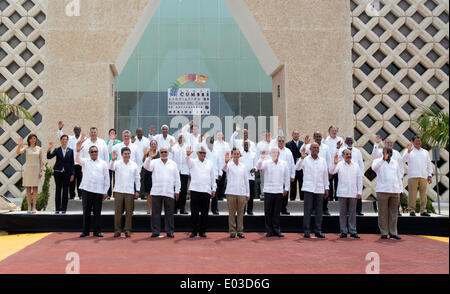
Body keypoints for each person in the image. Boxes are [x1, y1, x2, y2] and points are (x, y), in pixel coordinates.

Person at [76, 137, 110, 238]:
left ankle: (97, 232)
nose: (94, 153)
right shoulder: (85, 161)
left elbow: (106, 178)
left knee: (97, 212)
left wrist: (105, 192)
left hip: (98, 191)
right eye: (92, 152)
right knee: (86, 212)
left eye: (95, 151)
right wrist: (77, 151)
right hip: (87, 190)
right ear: (89, 153)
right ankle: (85, 232)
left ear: (98, 152)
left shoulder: (103, 163)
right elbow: (77, 160)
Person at [143, 147, 180, 238]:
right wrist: (149, 157)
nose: (164, 153)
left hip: (169, 191)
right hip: (156, 191)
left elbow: (177, 179)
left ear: (168, 153)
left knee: (169, 213)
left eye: (165, 152)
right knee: (155, 213)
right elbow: (146, 167)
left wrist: (177, 191)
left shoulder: (173, 164)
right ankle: (155, 231)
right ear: (159, 153)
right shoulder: (154, 162)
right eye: (162, 152)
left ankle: (169, 231)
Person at [296, 143, 329, 238]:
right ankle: (307, 230)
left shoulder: (323, 161)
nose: (316, 149)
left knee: (319, 211)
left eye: (317, 148)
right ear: (310, 149)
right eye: (314, 148)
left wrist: (326, 188)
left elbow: (325, 175)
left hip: (319, 188)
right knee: (307, 210)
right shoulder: (305, 160)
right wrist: (301, 158)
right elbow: (297, 168)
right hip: (308, 189)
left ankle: (318, 230)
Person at [257, 148, 290, 238]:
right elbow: (259, 167)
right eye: (273, 153)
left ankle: (276, 230)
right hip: (268, 191)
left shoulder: (284, 163)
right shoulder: (266, 163)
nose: (275, 154)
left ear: (279, 154)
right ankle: (269, 230)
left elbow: (287, 177)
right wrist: (261, 158)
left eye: (276, 153)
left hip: (279, 191)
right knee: (268, 212)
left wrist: (286, 188)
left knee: (277, 212)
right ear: (270, 154)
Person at [186, 146, 217, 238]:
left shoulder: (210, 163)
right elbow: (187, 162)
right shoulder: (192, 161)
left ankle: (202, 231)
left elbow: (212, 177)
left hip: (206, 190)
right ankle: (194, 231)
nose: (203, 154)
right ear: (197, 153)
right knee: (194, 212)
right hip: (195, 190)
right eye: (201, 152)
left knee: (204, 212)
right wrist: (187, 155)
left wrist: (213, 188)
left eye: (204, 153)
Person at [372, 147, 402, 240]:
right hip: (382, 190)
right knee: (383, 212)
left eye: (390, 152)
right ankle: (384, 232)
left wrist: (400, 190)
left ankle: (393, 233)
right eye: (386, 152)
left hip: (395, 190)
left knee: (394, 213)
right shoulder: (377, 161)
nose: (388, 154)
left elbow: (398, 176)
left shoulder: (395, 162)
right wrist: (382, 160)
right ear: (382, 153)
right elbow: (374, 168)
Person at [331, 149, 363, 239]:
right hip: (342, 192)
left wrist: (359, 191)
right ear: (343, 155)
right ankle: (343, 231)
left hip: (353, 192)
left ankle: (353, 231)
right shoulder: (339, 164)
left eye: (350, 154)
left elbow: (359, 179)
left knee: (353, 213)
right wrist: (334, 163)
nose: (349, 155)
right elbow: (332, 172)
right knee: (343, 213)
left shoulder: (356, 165)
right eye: (347, 154)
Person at [110, 147, 140, 238]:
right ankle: (117, 230)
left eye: (128, 154)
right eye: (125, 154)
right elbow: (110, 167)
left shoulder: (134, 164)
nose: (127, 155)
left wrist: (137, 190)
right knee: (118, 212)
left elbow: (137, 178)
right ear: (122, 154)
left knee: (129, 212)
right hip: (119, 191)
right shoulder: (117, 163)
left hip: (129, 191)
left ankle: (127, 230)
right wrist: (112, 160)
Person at [372, 135, 405, 216]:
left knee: (395, 204)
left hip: (395, 182)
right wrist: (376, 143)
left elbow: (400, 165)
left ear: (393, 144)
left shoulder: (396, 153)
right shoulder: (381, 152)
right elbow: (374, 152)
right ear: (384, 143)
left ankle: (397, 211)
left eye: (391, 143)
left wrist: (401, 176)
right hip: (384, 185)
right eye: (387, 143)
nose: (389, 144)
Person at [301, 132, 332, 215]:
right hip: (312, 172)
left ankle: (325, 209)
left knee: (323, 191)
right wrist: (305, 144)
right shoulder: (309, 146)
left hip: (322, 170)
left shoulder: (326, 147)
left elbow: (329, 159)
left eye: (320, 136)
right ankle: (313, 209)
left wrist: (329, 170)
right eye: (317, 136)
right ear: (314, 137)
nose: (318, 138)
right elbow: (303, 153)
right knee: (313, 193)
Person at [403, 135, 433, 216]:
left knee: (423, 195)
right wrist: (408, 151)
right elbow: (404, 160)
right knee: (412, 194)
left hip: (423, 176)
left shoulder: (425, 152)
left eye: (419, 141)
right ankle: (411, 210)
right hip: (413, 176)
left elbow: (429, 164)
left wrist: (429, 175)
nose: (418, 143)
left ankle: (423, 211)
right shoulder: (409, 151)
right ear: (412, 142)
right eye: (416, 141)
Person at [223, 148, 250, 238]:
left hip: (241, 192)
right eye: (234, 154)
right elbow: (224, 169)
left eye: (237, 154)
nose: (236, 155)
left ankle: (240, 231)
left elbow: (246, 180)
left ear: (240, 155)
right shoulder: (229, 165)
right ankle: (232, 231)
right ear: (232, 155)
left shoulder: (243, 166)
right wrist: (226, 162)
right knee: (231, 213)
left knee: (240, 213)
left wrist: (248, 193)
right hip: (231, 192)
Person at [47, 135, 75, 214]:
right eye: (63, 139)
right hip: (57, 172)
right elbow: (49, 157)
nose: (64, 141)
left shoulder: (71, 151)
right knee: (58, 190)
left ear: (67, 141)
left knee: (65, 191)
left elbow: (72, 163)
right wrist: (49, 149)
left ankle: (64, 209)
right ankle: (57, 208)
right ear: (60, 140)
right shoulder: (57, 149)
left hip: (67, 173)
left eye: (66, 139)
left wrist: (72, 174)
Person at [337, 136, 364, 215]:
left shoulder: (357, 151)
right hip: (345, 174)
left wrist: (361, 174)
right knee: (347, 194)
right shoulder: (341, 150)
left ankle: (358, 210)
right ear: (345, 141)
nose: (349, 141)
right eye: (348, 140)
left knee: (357, 192)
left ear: (353, 141)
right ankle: (348, 211)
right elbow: (338, 160)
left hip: (356, 173)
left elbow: (361, 163)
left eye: (351, 140)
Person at [16, 134, 43, 213]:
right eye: (31, 138)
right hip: (28, 170)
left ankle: (34, 207)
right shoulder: (26, 148)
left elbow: (41, 161)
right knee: (28, 188)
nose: (33, 140)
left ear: (36, 140)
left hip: (36, 170)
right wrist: (19, 145)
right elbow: (18, 152)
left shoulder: (39, 149)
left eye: (34, 138)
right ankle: (29, 207)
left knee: (35, 188)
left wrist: (41, 171)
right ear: (29, 140)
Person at [57, 121, 82, 199]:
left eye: (78, 130)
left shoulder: (83, 139)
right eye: (75, 130)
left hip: (80, 164)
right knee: (72, 180)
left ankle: (81, 195)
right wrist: (60, 129)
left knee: (80, 180)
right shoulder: (70, 138)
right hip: (72, 164)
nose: (77, 131)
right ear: (73, 131)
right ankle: (72, 195)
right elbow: (61, 137)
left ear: (80, 130)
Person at [169, 134, 189, 214]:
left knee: (183, 191)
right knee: (175, 189)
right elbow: (170, 157)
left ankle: (182, 208)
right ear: (177, 139)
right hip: (175, 171)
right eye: (179, 137)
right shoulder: (173, 147)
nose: (181, 139)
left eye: (182, 137)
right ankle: (174, 208)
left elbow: (189, 159)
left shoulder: (187, 147)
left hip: (184, 171)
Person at [323, 126, 344, 202]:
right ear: (329, 131)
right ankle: (330, 197)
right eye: (332, 130)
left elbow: (343, 152)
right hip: (329, 165)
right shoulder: (326, 140)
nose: (334, 132)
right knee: (329, 182)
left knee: (338, 181)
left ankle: (337, 197)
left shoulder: (340, 139)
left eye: (335, 130)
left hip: (338, 164)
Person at [277, 136, 295, 215]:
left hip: (286, 176)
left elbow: (292, 164)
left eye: (282, 141)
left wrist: (292, 175)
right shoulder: (274, 151)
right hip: (276, 176)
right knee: (278, 194)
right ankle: (277, 209)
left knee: (285, 192)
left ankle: (284, 208)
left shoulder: (288, 151)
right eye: (279, 141)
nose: (281, 142)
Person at [143, 140, 160, 214]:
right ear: (150, 145)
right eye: (152, 144)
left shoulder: (159, 153)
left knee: (156, 194)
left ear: (157, 145)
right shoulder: (147, 153)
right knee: (149, 194)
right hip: (148, 174)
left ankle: (155, 210)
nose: (153, 145)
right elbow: (143, 161)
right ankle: (149, 209)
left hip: (157, 174)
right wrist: (145, 155)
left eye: (154, 144)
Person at [286, 130, 304, 200]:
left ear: (299, 135)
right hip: (293, 165)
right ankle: (292, 198)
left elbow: (303, 153)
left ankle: (302, 198)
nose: (296, 135)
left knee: (301, 182)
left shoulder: (302, 144)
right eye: (294, 134)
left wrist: (300, 159)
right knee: (293, 183)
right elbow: (289, 155)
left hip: (301, 166)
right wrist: (295, 159)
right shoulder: (288, 144)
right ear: (292, 135)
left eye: (297, 134)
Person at [240, 140, 257, 215]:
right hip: (242, 177)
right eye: (245, 144)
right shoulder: (240, 154)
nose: (246, 146)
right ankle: (242, 210)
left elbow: (256, 165)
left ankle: (250, 210)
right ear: (243, 145)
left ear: (249, 145)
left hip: (251, 177)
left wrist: (254, 168)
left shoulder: (253, 154)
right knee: (243, 195)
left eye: (247, 144)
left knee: (250, 194)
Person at [213, 131, 231, 201]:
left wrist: (227, 163)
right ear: (216, 136)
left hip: (224, 165)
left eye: (220, 135)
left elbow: (228, 154)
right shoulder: (214, 144)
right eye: (218, 135)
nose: (219, 136)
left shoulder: (226, 144)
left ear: (222, 135)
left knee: (223, 181)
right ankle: (216, 195)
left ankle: (221, 195)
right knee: (216, 181)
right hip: (216, 165)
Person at [206, 136, 222, 215]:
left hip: (215, 175)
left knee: (215, 193)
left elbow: (219, 163)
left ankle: (214, 209)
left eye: (212, 140)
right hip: (206, 175)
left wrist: (220, 173)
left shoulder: (217, 151)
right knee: (206, 193)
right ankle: (205, 209)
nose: (211, 142)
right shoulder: (204, 151)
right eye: (209, 141)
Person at [106, 128, 121, 199]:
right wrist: (111, 141)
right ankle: (108, 194)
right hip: (109, 163)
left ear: (116, 135)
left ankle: (115, 195)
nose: (112, 135)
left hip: (117, 164)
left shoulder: (119, 142)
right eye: (111, 133)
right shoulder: (107, 142)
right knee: (108, 179)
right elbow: (109, 151)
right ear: (109, 135)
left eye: (113, 133)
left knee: (116, 179)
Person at [134, 128, 150, 199]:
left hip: (144, 162)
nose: (139, 134)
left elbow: (149, 151)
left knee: (143, 179)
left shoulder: (147, 140)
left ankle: (142, 194)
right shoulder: (133, 140)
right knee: (135, 178)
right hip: (135, 163)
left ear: (143, 133)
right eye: (138, 132)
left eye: (141, 132)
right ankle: (135, 194)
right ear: (136, 133)